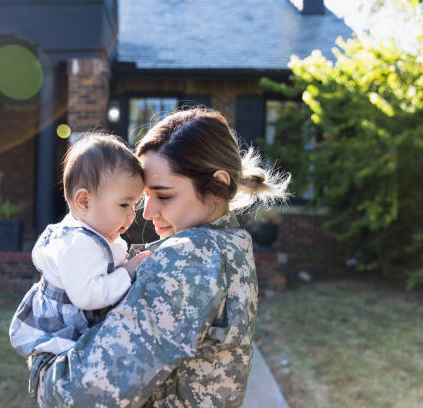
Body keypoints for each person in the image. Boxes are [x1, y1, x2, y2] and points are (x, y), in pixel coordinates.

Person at [31, 108, 290, 408]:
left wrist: (42, 363)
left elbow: (76, 397)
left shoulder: (188, 260)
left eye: (164, 196)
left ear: (217, 186)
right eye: (144, 197)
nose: (147, 212)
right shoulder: (230, 243)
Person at [8, 134, 151, 393]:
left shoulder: (93, 234)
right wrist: (128, 272)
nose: (132, 215)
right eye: (124, 204)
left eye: (134, 204)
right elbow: (88, 296)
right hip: (62, 331)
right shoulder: (78, 245)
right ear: (84, 201)